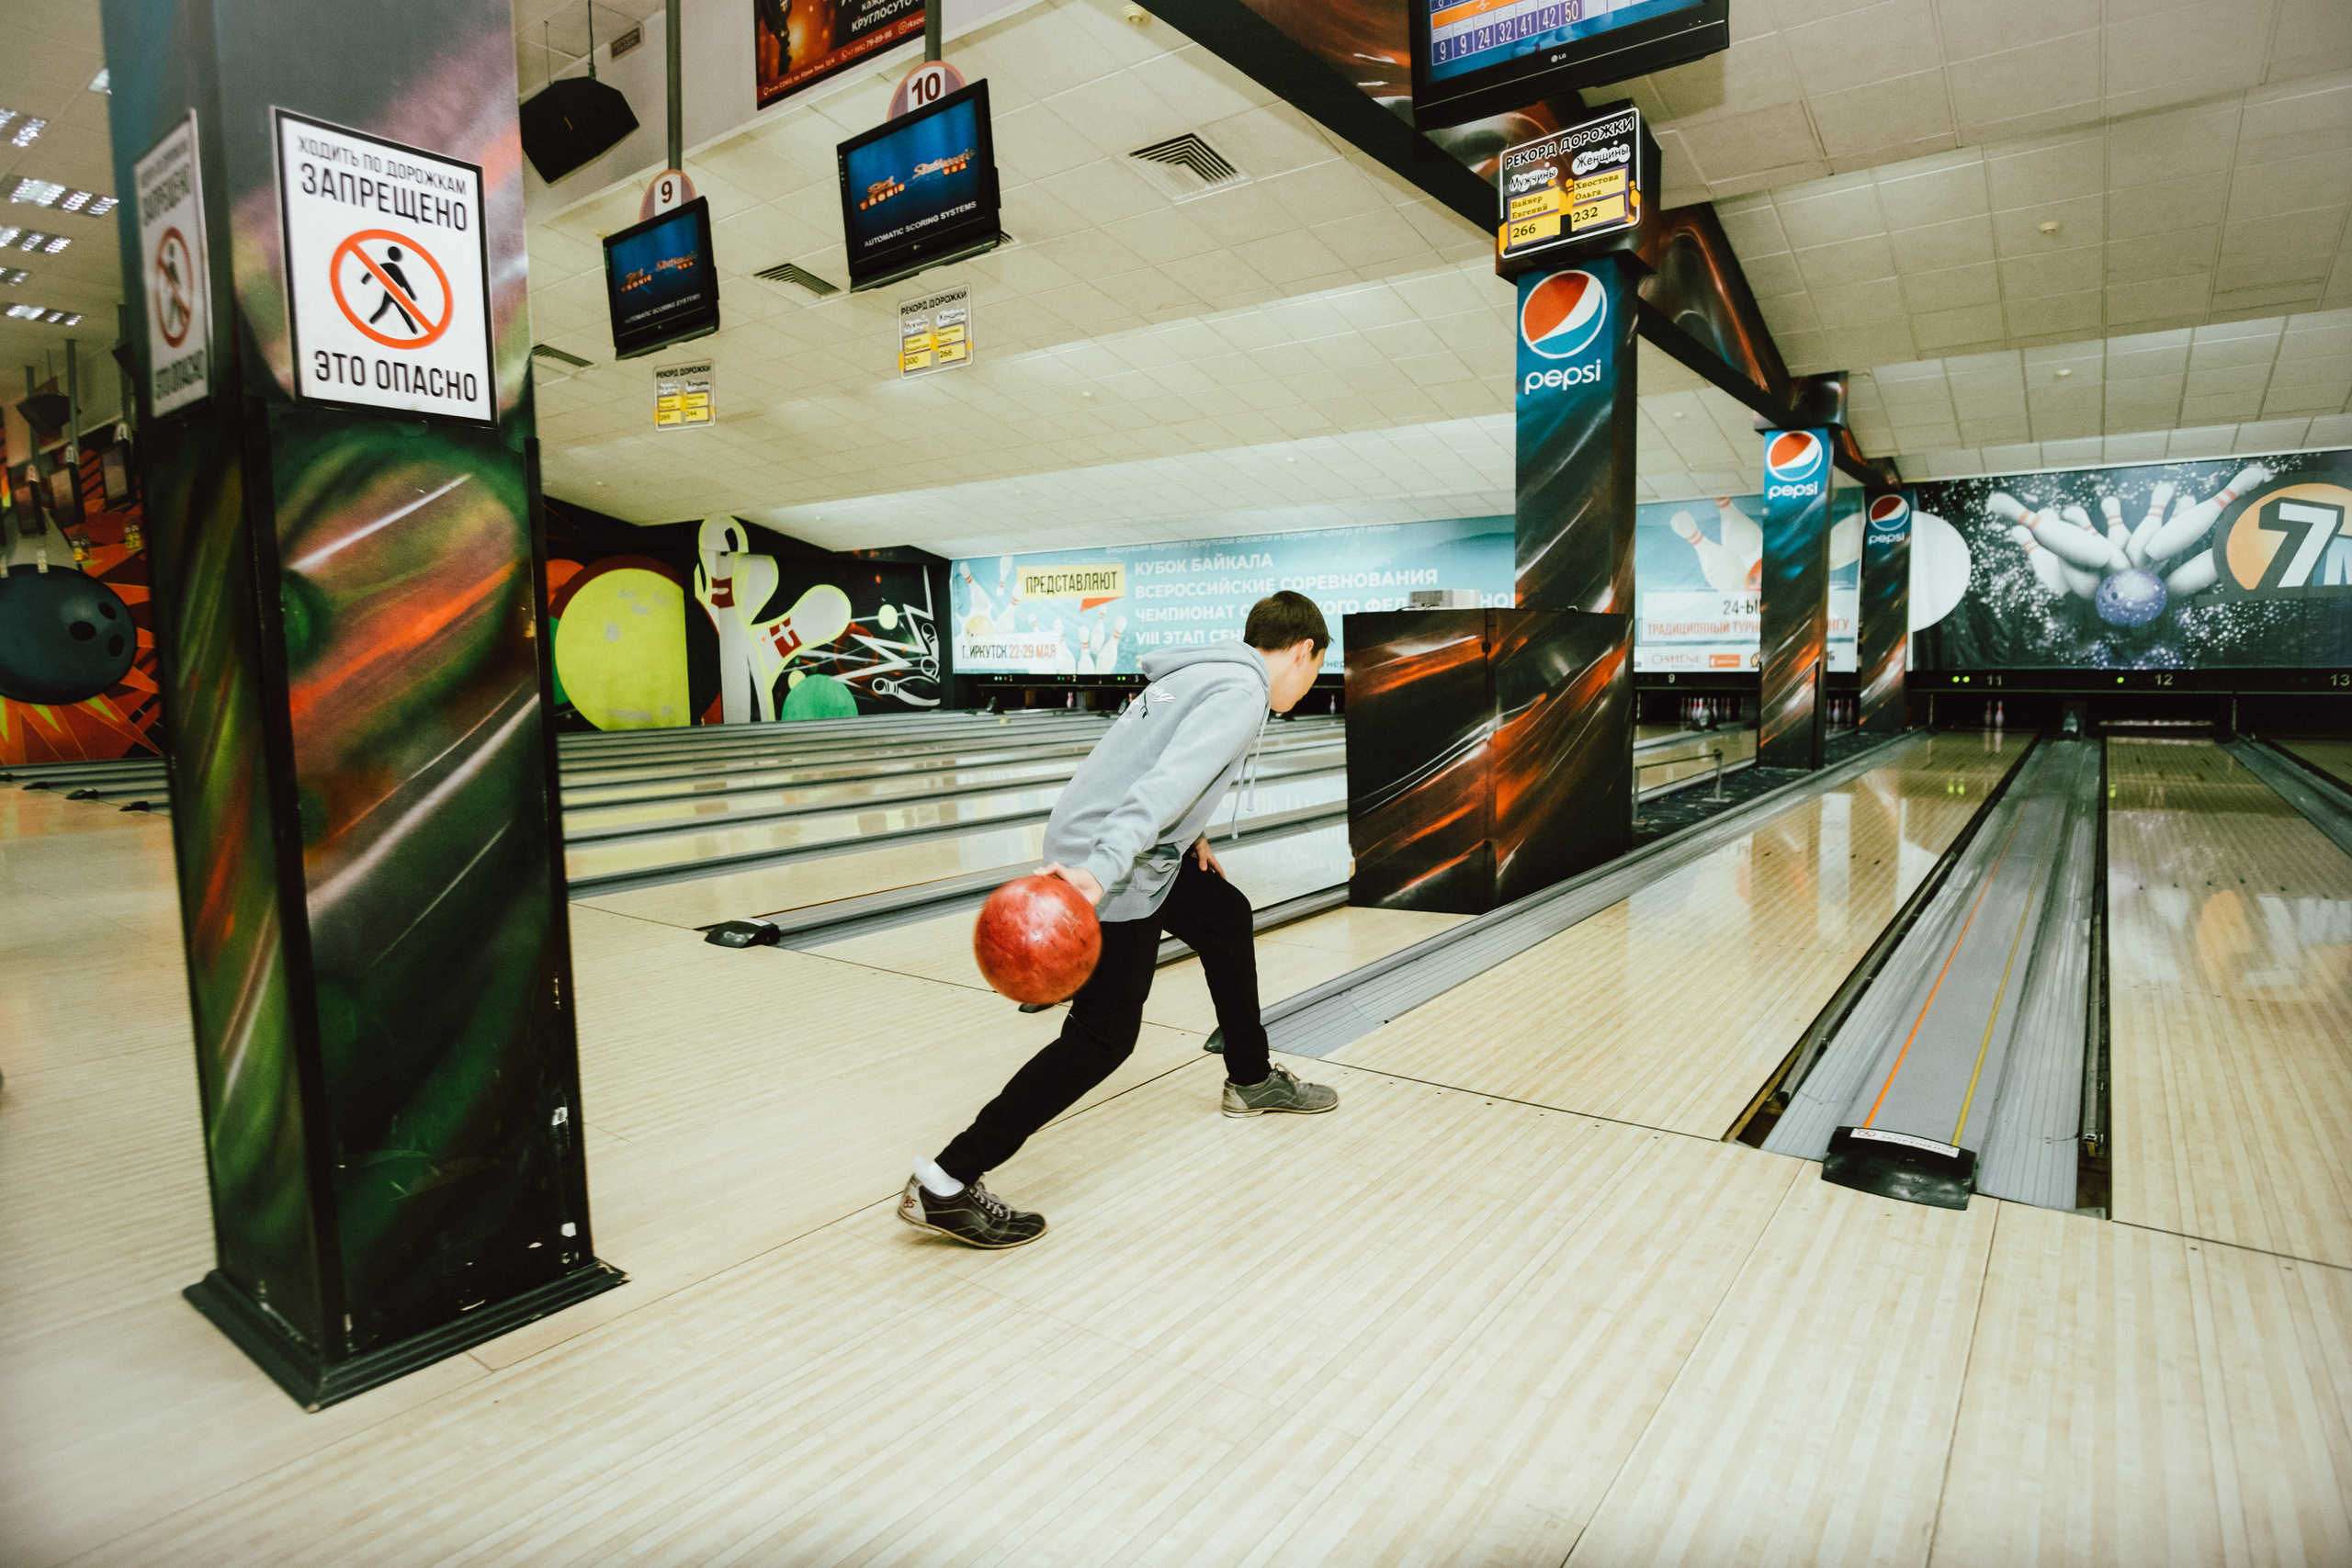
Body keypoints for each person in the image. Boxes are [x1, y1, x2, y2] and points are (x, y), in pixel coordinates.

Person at [900, 591, 1342, 1248]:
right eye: (1317, 670)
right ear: (1304, 651)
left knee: (1225, 914)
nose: (1308, 688)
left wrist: (1191, 833)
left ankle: (1250, 1078)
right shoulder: (1241, 692)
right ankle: (946, 1180)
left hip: (1134, 849)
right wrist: (1101, 869)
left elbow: (1151, 766)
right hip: (1115, 863)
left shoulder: (1204, 672)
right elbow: (1163, 785)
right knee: (1102, 1039)